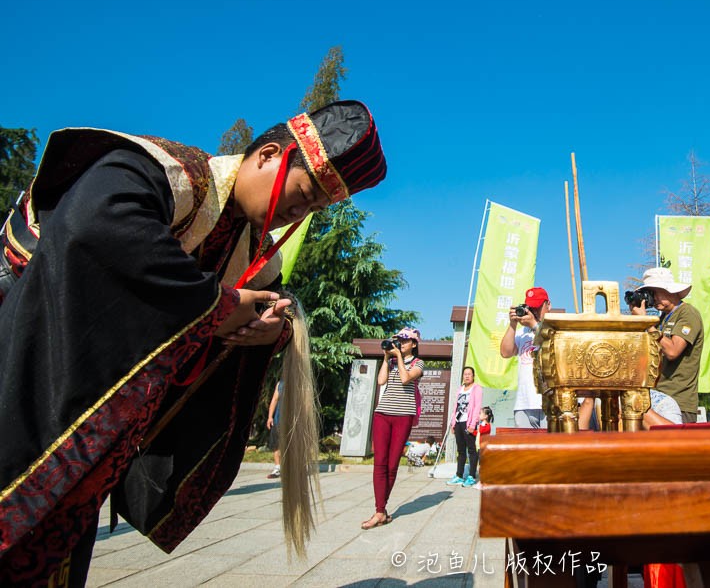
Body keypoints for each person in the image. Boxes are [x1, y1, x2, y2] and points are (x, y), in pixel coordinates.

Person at [0, 101, 386, 585]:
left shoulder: (254, 252)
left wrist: (272, 329)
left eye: (314, 208)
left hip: (94, 450)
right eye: (304, 193)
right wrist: (220, 307)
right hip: (27, 380)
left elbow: (260, 304)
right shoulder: (165, 171)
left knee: (55, 556)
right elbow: (96, 230)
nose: (300, 212)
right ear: (268, 155)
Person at [365, 327, 424, 529]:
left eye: (405, 341)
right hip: (383, 414)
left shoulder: (418, 363)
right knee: (379, 463)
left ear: (414, 344)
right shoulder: (390, 361)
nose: (401, 343)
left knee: (392, 465)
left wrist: (398, 357)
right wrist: (385, 358)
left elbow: (406, 378)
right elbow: (381, 381)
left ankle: (381, 509)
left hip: (403, 416)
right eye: (398, 340)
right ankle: (379, 511)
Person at [631, 267, 703, 425]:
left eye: (654, 292)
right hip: (657, 396)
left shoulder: (688, 313)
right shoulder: (661, 318)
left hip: (678, 400)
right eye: (649, 293)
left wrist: (648, 326)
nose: (652, 298)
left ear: (670, 290)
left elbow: (672, 351)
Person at [500, 287, 550, 428]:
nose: (533, 312)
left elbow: (552, 344)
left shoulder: (555, 327)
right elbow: (505, 352)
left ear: (548, 305)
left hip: (549, 403)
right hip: (524, 402)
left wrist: (534, 325)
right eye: (531, 308)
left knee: (550, 449)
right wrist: (513, 324)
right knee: (525, 449)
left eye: (537, 307)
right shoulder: (522, 332)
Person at [447, 366, 483, 487]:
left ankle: (472, 476)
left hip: (469, 423)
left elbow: (477, 407)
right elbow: (455, 407)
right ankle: (459, 475)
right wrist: (453, 423)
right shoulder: (460, 389)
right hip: (459, 422)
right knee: (461, 451)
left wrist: (473, 424)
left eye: (469, 374)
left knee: (472, 450)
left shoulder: (477, 389)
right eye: (465, 374)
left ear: (473, 376)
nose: (467, 376)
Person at [266, 380, 284, 478]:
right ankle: (277, 468)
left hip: (293, 422)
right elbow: (274, 400)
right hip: (278, 420)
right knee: (276, 445)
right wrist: (270, 417)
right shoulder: (280, 383)